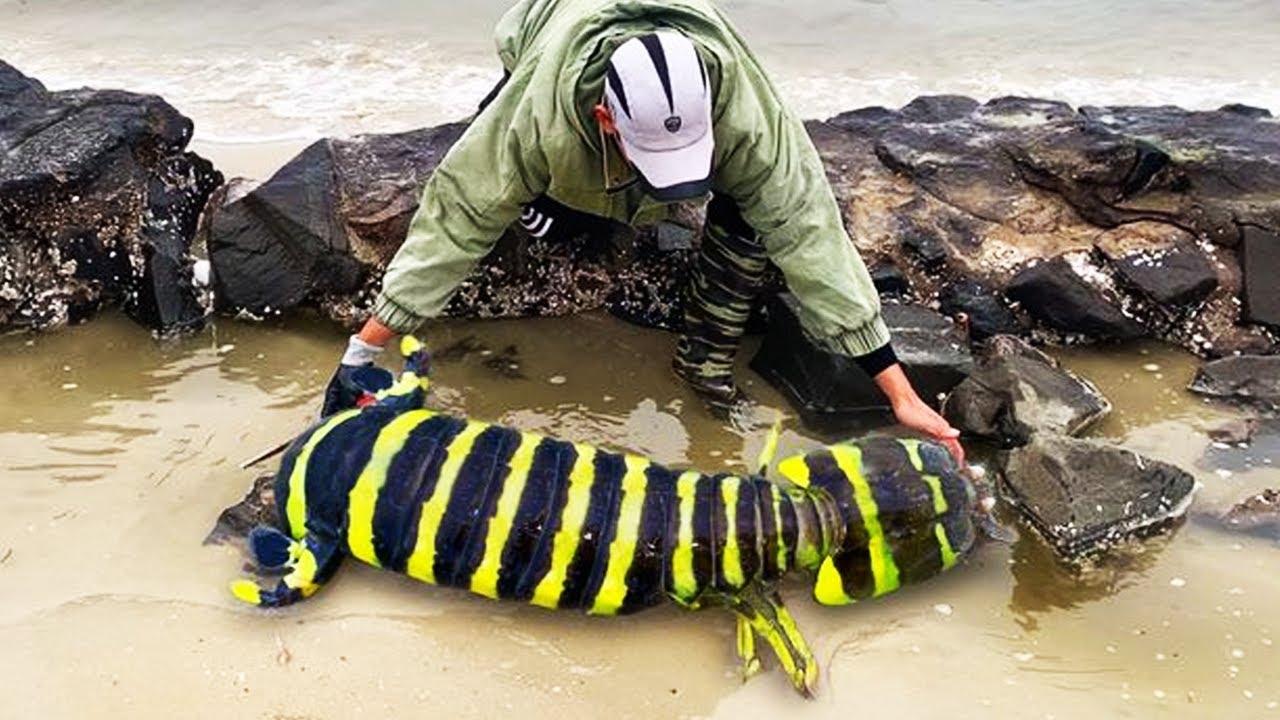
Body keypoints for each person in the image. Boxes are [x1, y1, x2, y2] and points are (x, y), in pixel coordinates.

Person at [333, 0, 963, 461]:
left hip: (669, 78)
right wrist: (366, 346)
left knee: (759, 214)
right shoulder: (540, 113)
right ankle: (552, 202)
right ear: (605, 119)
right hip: (550, 29)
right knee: (534, 200)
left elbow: (809, 232)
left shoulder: (745, 113)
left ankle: (704, 358)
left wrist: (897, 390)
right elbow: (457, 214)